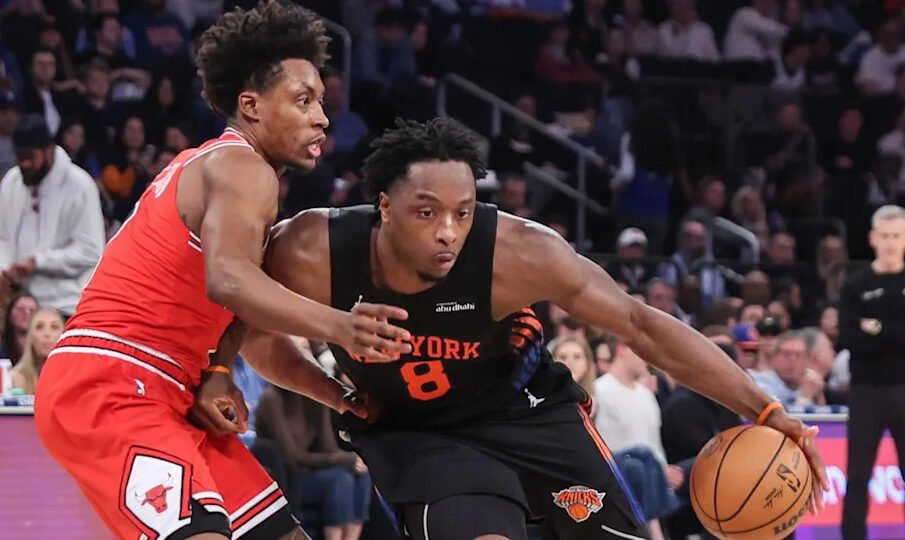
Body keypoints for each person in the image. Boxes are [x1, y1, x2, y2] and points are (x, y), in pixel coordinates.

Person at [209, 117, 827, 540]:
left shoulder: (521, 253)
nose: (448, 231)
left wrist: (765, 408)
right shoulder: (313, 251)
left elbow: (641, 324)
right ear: (385, 207)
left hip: (527, 412)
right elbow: (252, 332)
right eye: (427, 212)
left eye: (462, 212)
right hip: (421, 434)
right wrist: (334, 392)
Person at [34, 3, 411, 540]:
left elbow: (255, 334)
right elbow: (228, 279)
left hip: (170, 390)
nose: (322, 118)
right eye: (303, 100)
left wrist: (339, 397)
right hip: (114, 382)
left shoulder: (222, 171)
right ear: (251, 105)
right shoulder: (241, 166)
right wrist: (341, 326)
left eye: (321, 102)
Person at [839, 204, 905, 540]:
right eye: (885, 236)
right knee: (858, 475)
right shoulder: (855, 285)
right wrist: (893, 333)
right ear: (872, 238)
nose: (891, 242)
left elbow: (872, 335)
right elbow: (850, 338)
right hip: (866, 391)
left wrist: (877, 327)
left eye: (897, 236)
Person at [9, 306, 64, 394]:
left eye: (54, 327)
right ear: (30, 336)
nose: (47, 334)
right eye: (39, 327)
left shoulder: (74, 376)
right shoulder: (14, 378)